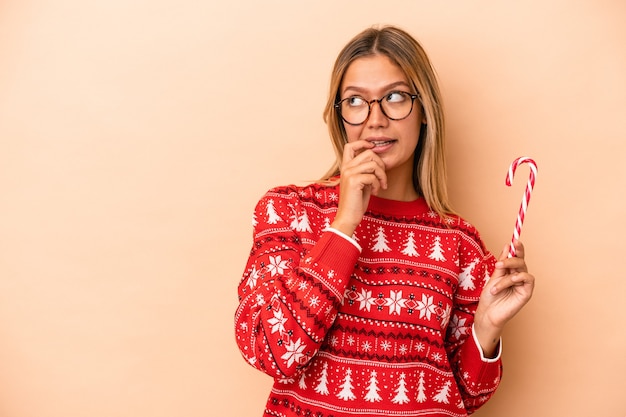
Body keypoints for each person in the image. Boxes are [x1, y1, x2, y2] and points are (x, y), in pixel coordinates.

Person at [234, 25, 535, 417]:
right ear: (339, 116)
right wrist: (343, 226)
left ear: (424, 110)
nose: (375, 119)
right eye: (356, 101)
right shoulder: (288, 211)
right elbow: (269, 351)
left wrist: (486, 329)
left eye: (394, 97)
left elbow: (463, 395)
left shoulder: (460, 243)